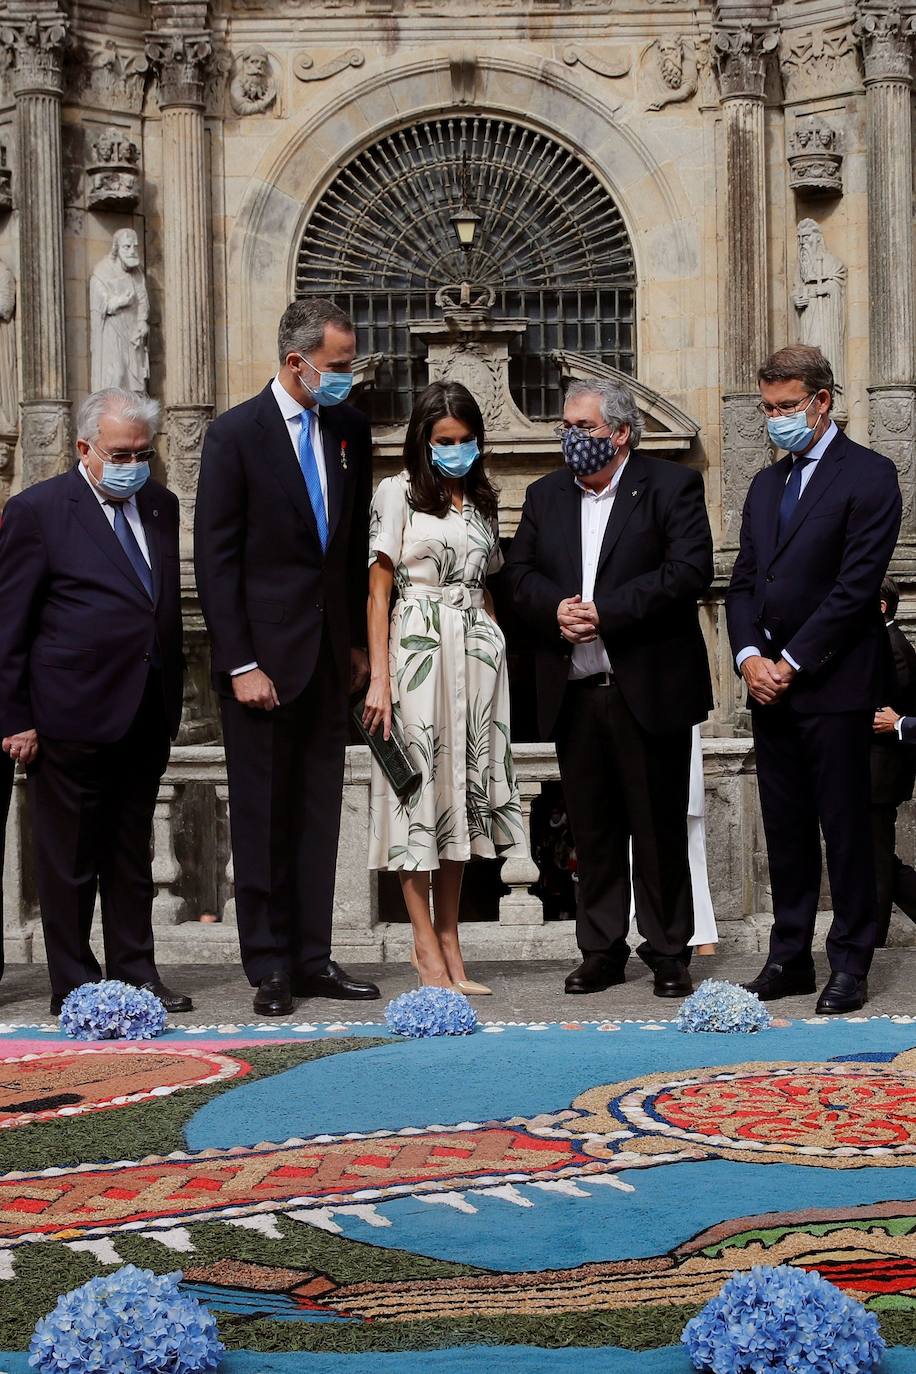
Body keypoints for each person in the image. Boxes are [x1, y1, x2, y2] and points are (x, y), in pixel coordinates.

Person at [195, 297, 378, 1016]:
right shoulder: (234, 435)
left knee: (316, 817)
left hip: (328, 659)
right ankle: (268, 964)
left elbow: (351, 541)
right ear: (297, 362)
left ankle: (312, 957)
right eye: (337, 367)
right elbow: (216, 558)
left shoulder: (350, 431)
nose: (347, 378)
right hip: (262, 664)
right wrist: (240, 662)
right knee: (263, 817)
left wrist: (359, 643)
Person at [507, 378, 714, 998]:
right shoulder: (544, 496)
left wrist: (607, 611)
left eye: (584, 427)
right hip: (574, 689)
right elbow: (517, 574)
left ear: (621, 433)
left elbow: (689, 571)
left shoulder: (670, 486)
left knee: (657, 829)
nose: (571, 438)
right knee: (591, 832)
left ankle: (669, 950)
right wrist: (556, 611)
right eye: (565, 427)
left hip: (646, 685)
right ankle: (600, 949)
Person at [0, 388, 191, 1014]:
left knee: (131, 855)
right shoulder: (38, 511)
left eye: (143, 451)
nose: (133, 463)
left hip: (144, 708)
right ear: (84, 449)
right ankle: (76, 985)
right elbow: (11, 622)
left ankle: (137, 973)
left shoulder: (161, 505)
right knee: (71, 860)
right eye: (119, 452)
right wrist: (17, 716)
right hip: (68, 713)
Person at [726, 345, 901, 1014]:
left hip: (833, 683)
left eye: (787, 407)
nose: (776, 420)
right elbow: (745, 581)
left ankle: (850, 962)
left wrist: (792, 662)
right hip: (768, 686)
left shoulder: (871, 475)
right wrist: (748, 657)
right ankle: (789, 955)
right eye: (768, 409)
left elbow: (857, 588)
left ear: (822, 401)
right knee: (787, 829)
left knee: (846, 828)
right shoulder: (766, 483)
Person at [362, 381, 526, 990]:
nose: (456, 450)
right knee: (417, 792)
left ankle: (452, 938)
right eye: (444, 441)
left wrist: (494, 642)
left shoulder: (482, 498)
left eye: (465, 440)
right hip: (417, 652)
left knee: (463, 793)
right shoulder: (395, 493)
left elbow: (487, 585)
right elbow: (377, 594)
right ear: (423, 441)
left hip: (478, 657)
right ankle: (423, 942)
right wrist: (379, 679)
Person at [871, 579, 916, 943]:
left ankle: (873, 938)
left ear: (881, 606)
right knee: (880, 857)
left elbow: (884, 711)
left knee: (876, 860)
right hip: (872, 772)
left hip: (881, 772)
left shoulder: (894, 647)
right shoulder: (881, 644)